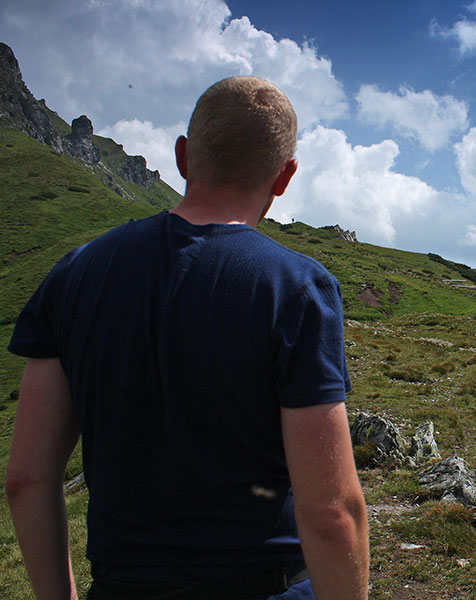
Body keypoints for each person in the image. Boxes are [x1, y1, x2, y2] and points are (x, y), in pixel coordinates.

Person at [5, 76, 369, 600]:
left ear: (182, 155)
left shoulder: (73, 274)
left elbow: (27, 479)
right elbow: (331, 511)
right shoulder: (295, 288)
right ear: (285, 176)